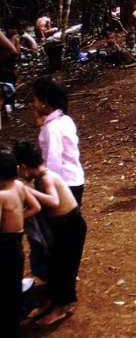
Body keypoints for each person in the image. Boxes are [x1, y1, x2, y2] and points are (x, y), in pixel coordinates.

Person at [15, 140, 87, 326]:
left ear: (23, 167)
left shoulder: (46, 178)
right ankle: (51, 302)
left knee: (65, 268)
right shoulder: (40, 177)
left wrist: (26, 190)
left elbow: (54, 202)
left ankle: (59, 309)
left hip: (70, 226)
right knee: (55, 265)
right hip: (60, 226)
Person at [0, 146, 40, 338]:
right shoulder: (19, 187)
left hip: (4, 246)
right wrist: (18, 219)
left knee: (6, 288)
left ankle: (9, 326)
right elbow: (35, 207)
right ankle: (21, 311)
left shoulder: (1, 196)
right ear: (17, 169)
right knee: (13, 283)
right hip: (16, 242)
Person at [32, 76, 85, 205]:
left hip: (63, 182)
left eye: (34, 99)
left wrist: (45, 184)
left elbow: (53, 161)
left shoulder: (52, 129)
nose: (33, 104)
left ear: (44, 102)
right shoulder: (64, 119)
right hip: (75, 178)